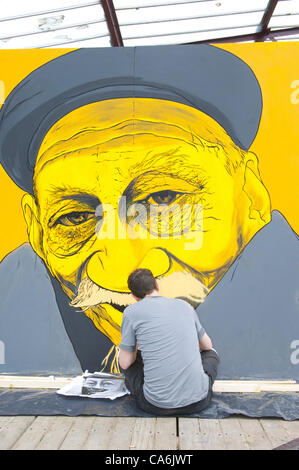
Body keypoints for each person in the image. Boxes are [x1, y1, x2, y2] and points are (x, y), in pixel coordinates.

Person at [0, 46, 298, 379]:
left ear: (251, 196)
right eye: (74, 217)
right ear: (38, 232)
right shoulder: (14, 295)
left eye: (162, 199)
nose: (119, 269)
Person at [119, 268, 219, 415]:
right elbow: (207, 346)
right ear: (157, 285)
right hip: (199, 402)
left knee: (125, 358)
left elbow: (125, 363)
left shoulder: (131, 312)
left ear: (133, 296)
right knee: (211, 354)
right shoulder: (184, 306)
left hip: (156, 405)